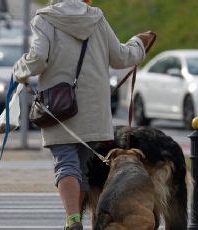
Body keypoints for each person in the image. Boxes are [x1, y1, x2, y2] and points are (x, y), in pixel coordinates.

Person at [12, 0, 154, 229]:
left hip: (59, 106)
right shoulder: (96, 18)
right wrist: (139, 43)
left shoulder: (45, 19)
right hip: (94, 109)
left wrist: (18, 70)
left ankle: (73, 219)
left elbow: (38, 58)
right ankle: (74, 218)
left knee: (65, 163)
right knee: (83, 167)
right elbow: (121, 57)